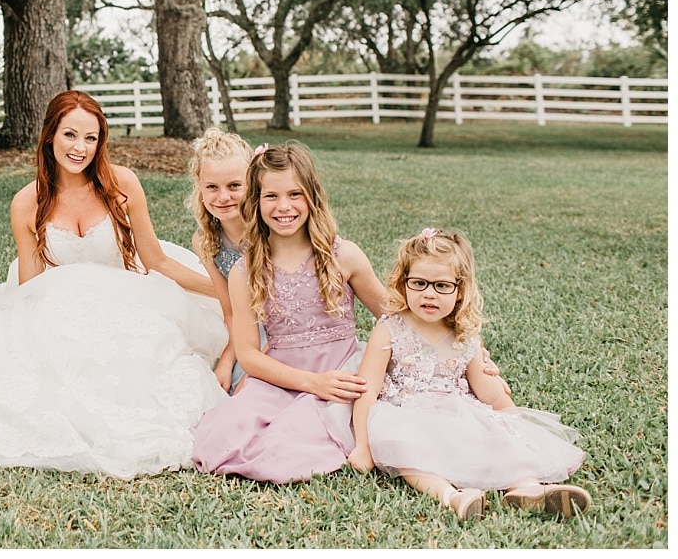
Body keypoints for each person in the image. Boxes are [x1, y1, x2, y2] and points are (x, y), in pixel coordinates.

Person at [0, 90, 229, 479]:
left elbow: (156, 261)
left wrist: (222, 290)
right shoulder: (27, 203)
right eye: (70, 135)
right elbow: (30, 288)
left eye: (91, 138)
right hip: (58, 307)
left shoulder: (123, 184)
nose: (80, 148)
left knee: (145, 373)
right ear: (50, 135)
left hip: (126, 300)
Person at [347, 228, 589, 520]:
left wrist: (516, 425)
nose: (429, 294)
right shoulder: (390, 328)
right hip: (404, 414)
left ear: (459, 290)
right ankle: (453, 496)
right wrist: (363, 446)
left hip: (456, 411)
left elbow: (488, 391)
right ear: (403, 284)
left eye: (442, 286)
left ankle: (527, 488)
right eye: (419, 283)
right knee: (409, 453)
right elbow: (367, 389)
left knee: (495, 439)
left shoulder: (465, 336)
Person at [190, 143, 388, 484]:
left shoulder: (346, 256)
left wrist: (463, 349)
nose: (284, 207)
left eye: (295, 194)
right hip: (281, 377)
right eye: (271, 196)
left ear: (312, 196)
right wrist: (312, 383)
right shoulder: (244, 272)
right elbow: (249, 355)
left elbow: (395, 318)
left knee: (290, 447)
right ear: (255, 201)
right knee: (222, 436)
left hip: (339, 371)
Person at [186, 128, 258, 394]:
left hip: (287, 335)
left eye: (234, 186)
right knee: (221, 391)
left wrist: (256, 367)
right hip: (243, 333)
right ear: (200, 188)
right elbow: (231, 313)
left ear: (252, 183)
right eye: (212, 188)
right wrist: (227, 362)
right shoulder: (205, 241)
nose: (223, 197)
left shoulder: (268, 232)